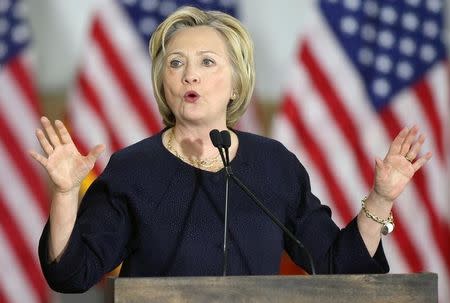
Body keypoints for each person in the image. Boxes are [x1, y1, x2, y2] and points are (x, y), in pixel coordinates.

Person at [30, 6, 431, 293]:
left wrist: (381, 197)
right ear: (162, 83)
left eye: (207, 62)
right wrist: (65, 194)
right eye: (175, 63)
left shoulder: (274, 165)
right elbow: (71, 275)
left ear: (237, 83)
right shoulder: (133, 169)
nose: (189, 74)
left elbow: (337, 267)